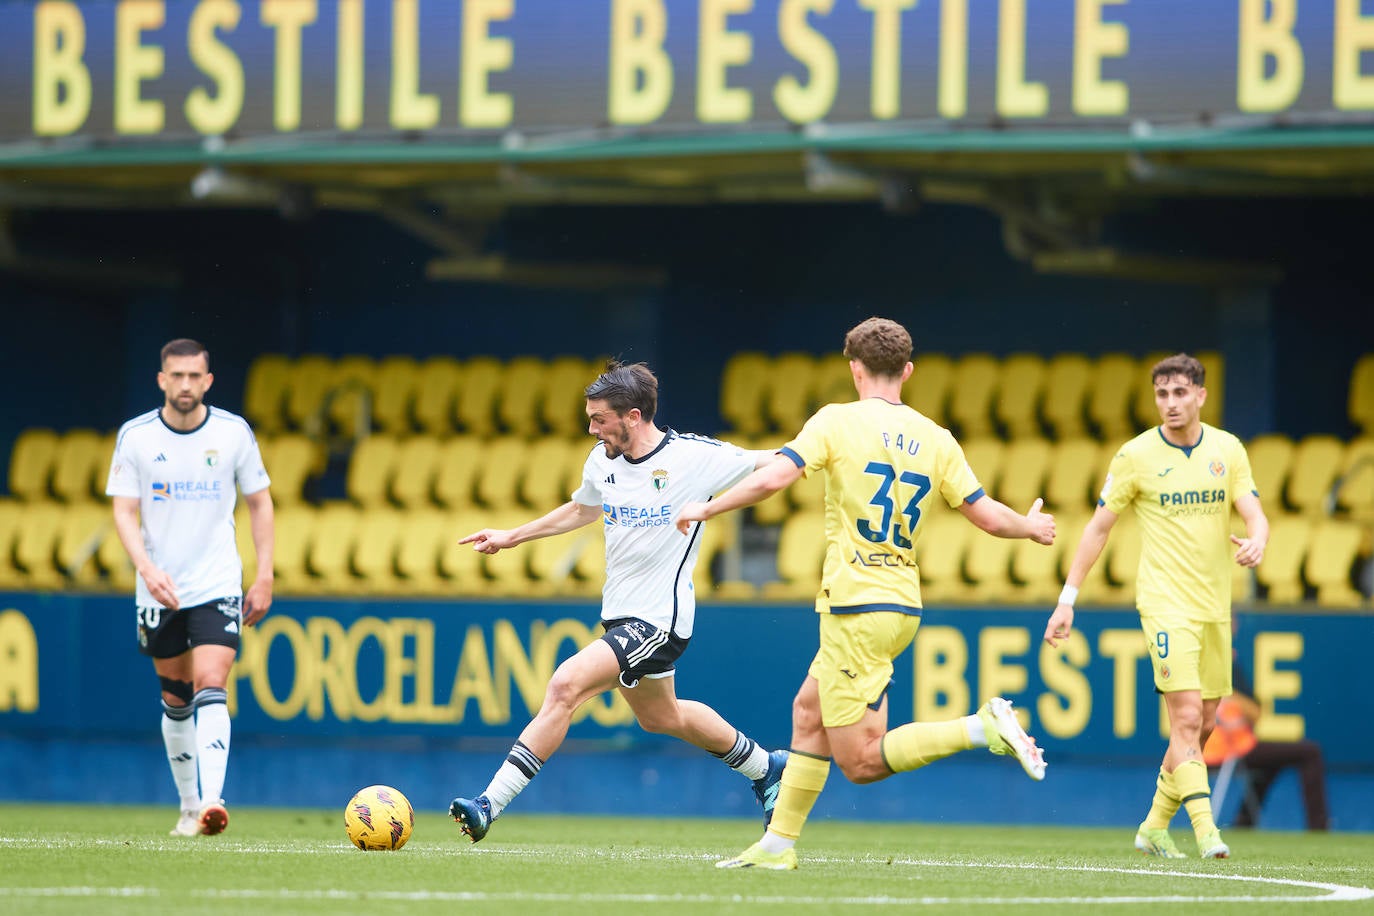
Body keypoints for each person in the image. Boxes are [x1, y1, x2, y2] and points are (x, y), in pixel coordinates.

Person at [676, 317, 1055, 871]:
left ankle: (981, 726)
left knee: (861, 762)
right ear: (908, 371)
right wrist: (1029, 527)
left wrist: (706, 506)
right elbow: (988, 518)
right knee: (808, 712)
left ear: (854, 369)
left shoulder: (836, 421)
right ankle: (779, 846)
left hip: (856, 604)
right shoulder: (936, 437)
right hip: (899, 602)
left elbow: (775, 478)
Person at [448, 360, 788, 843]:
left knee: (565, 685)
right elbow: (585, 507)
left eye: (599, 418)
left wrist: (716, 505)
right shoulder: (601, 460)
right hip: (621, 617)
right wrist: (512, 537)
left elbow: (775, 461)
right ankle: (767, 767)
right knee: (661, 717)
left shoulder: (694, 457)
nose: (591, 428)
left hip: (660, 621)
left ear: (632, 416)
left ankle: (488, 803)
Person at [1044, 352, 1269, 860]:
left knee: (1204, 725)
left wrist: (1258, 539)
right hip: (1165, 604)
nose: (1170, 403)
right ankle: (1208, 832)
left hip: (1214, 607)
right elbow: (1098, 528)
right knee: (1186, 718)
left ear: (1200, 396)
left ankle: (1152, 827)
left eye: (1180, 393)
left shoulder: (1227, 450)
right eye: (1162, 394)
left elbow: (1254, 511)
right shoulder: (1135, 457)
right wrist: (1067, 600)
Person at [105, 338, 275, 837]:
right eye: (175, 376)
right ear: (161, 379)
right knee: (176, 696)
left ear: (208, 381)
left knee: (211, 682)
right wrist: (146, 569)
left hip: (217, 580)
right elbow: (124, 509)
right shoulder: (136, 437)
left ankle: (212, 803)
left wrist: (263, 573)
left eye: (193, 376)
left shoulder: (232, 432)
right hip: (159, 587)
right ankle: (186, 806)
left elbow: (260, 502)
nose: (184, 385)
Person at [1203, 639, 1329, 831]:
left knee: (1270, 762)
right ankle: (1319, 827)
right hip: (1231, 747)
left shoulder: (1201, 659)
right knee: (1310, 752)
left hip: (1208, 748)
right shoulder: (1222, 660)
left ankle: (1245, 821)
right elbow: (1254, 713)